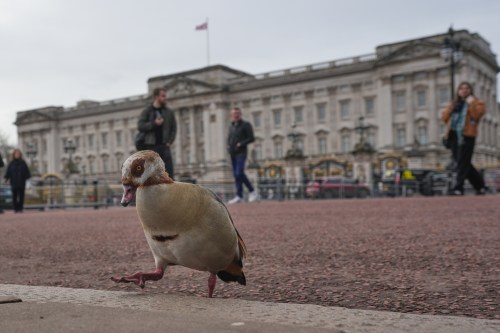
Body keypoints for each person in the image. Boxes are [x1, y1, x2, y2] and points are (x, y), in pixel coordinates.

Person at [441, 81, 487, 195]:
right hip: (453, 136)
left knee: (462, 162)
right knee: (462, 162)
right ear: (458, 91)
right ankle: (480, 186)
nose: (464, 90)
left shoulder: (478, 102)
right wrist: (451, 107)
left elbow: (477, 115)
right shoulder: (454, 103)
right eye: (461, 88)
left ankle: (458, 187)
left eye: (466, 88)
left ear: (470, 90)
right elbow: (444, 117)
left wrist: (470, 104)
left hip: (467, 135)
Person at [137, 87, 177, 178]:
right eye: (163, 96)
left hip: (164, 146)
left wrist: (169, 142)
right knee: (151, 175)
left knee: (169, 175)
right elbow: (140, 126)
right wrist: (154, 123)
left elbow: (173, 128)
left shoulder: (168, 112)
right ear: (156, 97)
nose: (165, 98)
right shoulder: (147, 111)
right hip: (151, 146)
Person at [227, 107, 258, 204]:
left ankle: (252, 191)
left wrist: (241, 144)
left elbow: (251, 138)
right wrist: (228, 146)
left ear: (240, 114)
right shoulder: (231, 126)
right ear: (231, 115)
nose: (236, 115)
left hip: (241, 152)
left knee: (239, 172)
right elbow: (229, 138)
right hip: (232, 153)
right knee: (236, 175)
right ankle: (239, 195)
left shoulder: (245, 125)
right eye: (234, 113)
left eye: (237, 113)